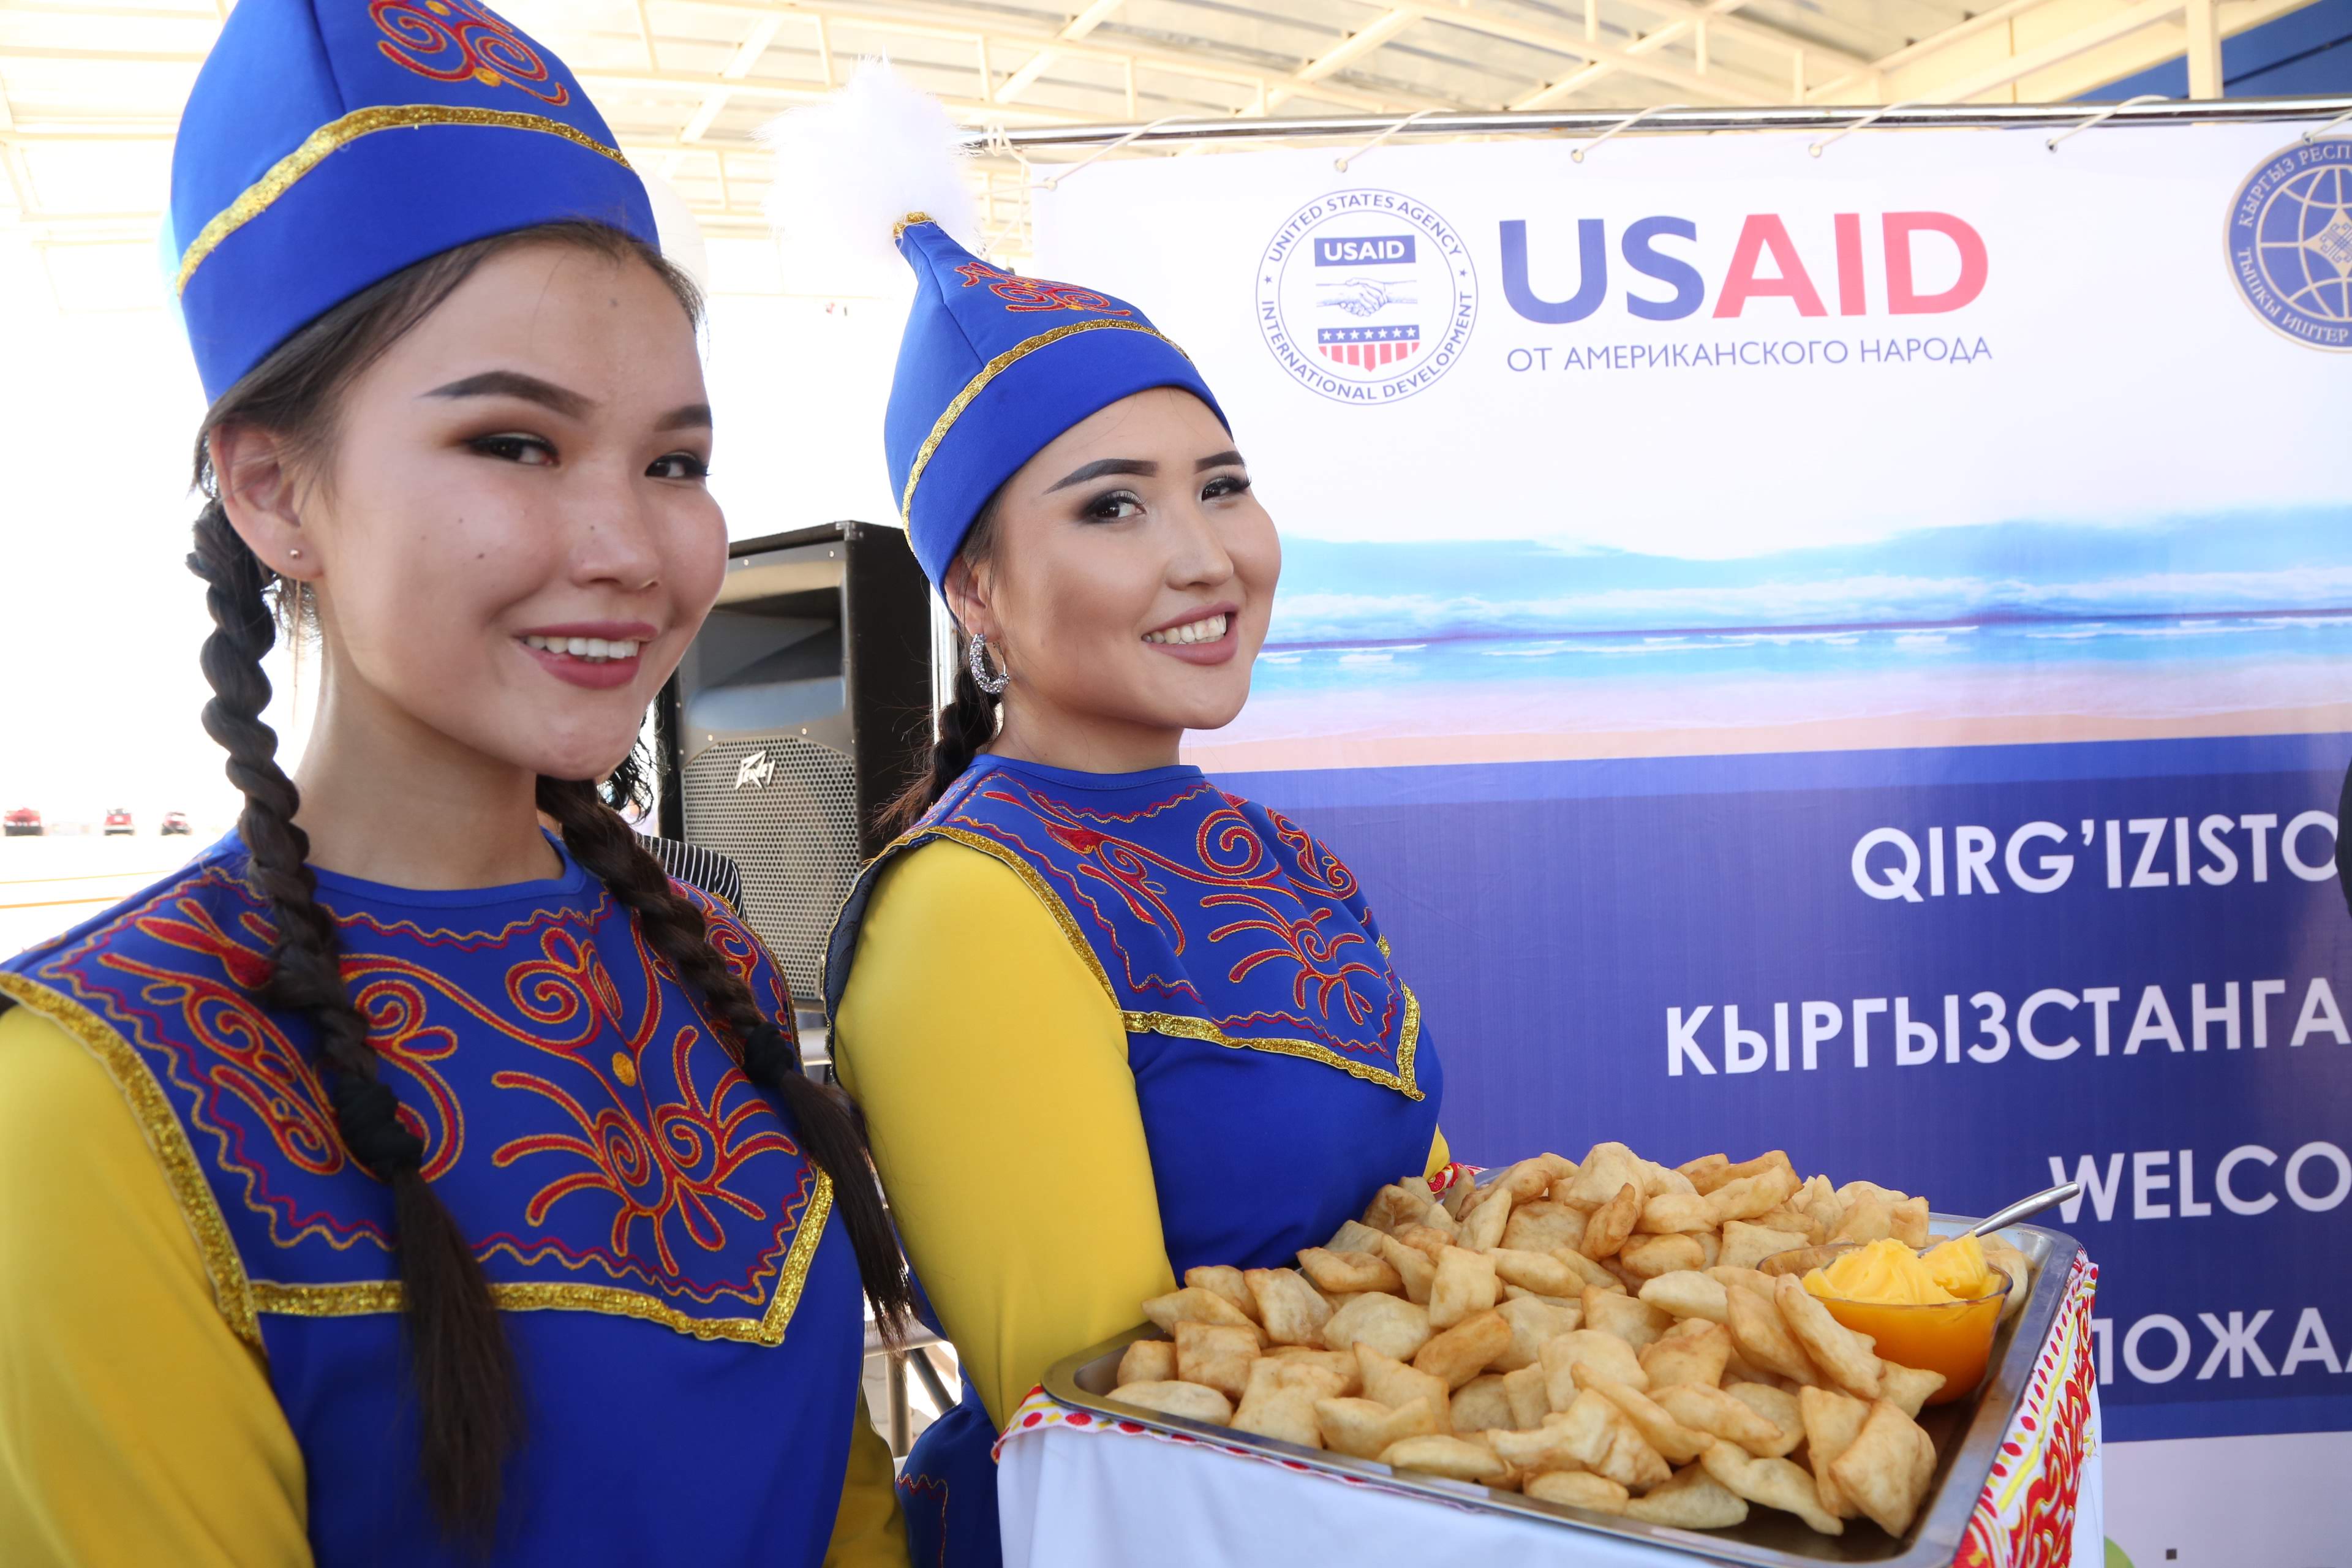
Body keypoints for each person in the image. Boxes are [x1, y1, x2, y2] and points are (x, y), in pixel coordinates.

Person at [0, 4, 910, 1564]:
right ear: (275, 490)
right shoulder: (92, 1098)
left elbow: (848, 1506)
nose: (628, 547)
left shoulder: (715, 969)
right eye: (514, 444)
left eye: (674, 463)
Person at [817, 213, 1452, 1565]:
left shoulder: (1282, 855)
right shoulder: (969, 909)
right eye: (1113, 505)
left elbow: (1440, 1242)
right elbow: (1116, 1442)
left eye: (1221, 487)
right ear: (975, 590)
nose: (1205, 554)